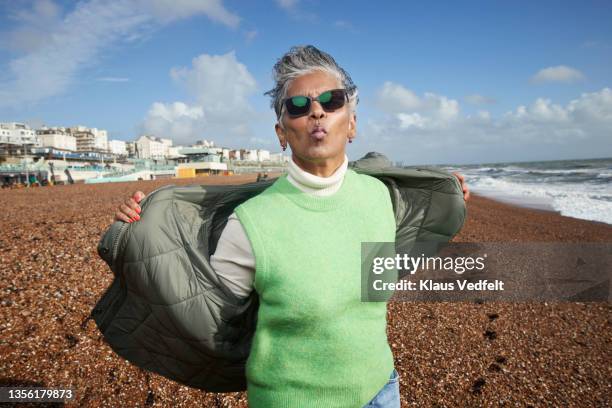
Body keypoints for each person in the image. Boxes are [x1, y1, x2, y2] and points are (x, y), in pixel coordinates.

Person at [113, 45, 469, 408]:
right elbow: (207, 319)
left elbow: (383, 265)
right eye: (298, 106)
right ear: (281, 133)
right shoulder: (251, 223)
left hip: (382, 390)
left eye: (332, 100)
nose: (317, 110)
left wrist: (447, 192)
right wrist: (139, 233)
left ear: (352, 124)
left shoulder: (381, 197)